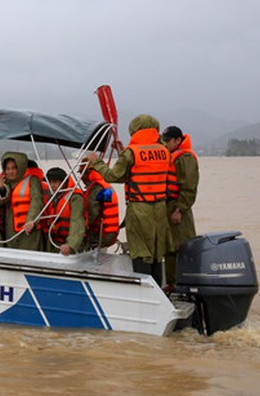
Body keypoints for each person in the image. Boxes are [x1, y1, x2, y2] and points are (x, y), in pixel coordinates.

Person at [85, 114, 173, 283]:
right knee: (156, 252)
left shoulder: (131, 153)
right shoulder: (164, 151)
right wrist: (122, 150)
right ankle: (159, 291)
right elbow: (142, 166)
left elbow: (113, 175)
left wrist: (97, 162)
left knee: (140, 250)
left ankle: (145, 291)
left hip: (140, 208)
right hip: (160, 208)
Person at [162, 125, 199, 286]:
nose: (165, 143)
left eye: (168, 140)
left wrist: (179, 210)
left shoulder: (186, 158)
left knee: (181, 247)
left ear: (178, 140)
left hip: (178, 208)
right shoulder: (172, 154)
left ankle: (183, 284)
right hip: (167, 206)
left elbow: (189, 188)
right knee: (169, 248)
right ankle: (172, 284)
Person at [0, 152, 44, 250]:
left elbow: (36, 202)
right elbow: (0, 200)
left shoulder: (32, 181)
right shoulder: (3, 182)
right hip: (9, 231)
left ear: (21, 167)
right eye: (8, 169)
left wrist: (31, 220)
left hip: (28, 231)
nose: (11, 171)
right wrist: (1, 188)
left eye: (14, 168)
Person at [45, 167, 86, 255]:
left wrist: (70, 244)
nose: (52, 185)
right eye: (50, 182)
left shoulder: (75, 197)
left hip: (71, 246)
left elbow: (77, 222)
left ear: (64, 182)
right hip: (55, 243)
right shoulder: (53, 197)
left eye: (55, 182)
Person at [81, 163, 120, 250]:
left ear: (88, 172)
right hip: (112, 232)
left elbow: (92, 213)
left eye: (81, 173)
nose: (80, 177)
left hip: (101, 233)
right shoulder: (105, 185)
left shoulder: (97, 188)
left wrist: (80, 228)